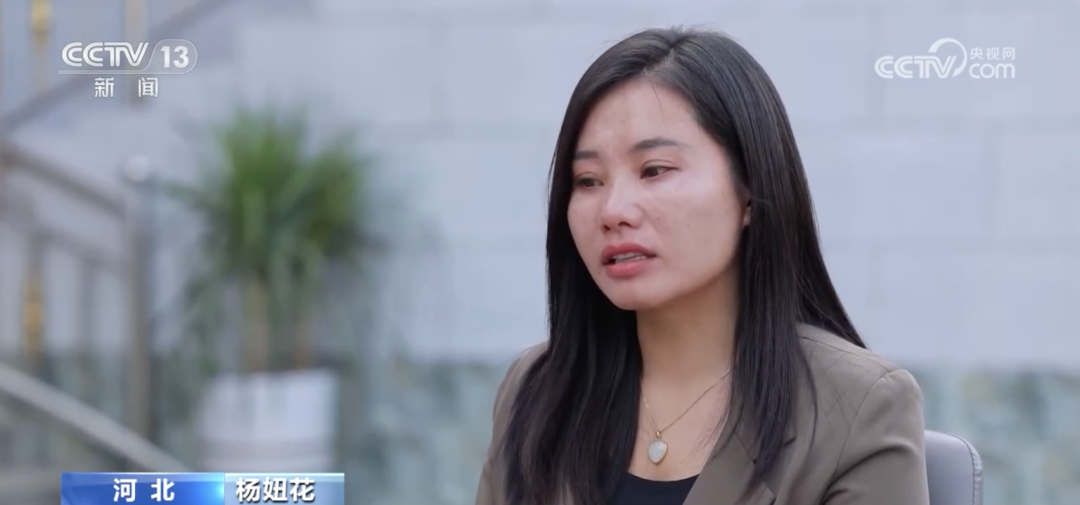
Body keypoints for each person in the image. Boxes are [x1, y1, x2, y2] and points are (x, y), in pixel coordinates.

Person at [473, 27, 929, 505]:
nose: (613, 210)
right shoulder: (539, 388)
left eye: (654, 170)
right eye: (587, 180)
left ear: (750, 187)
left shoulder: (857, 407)